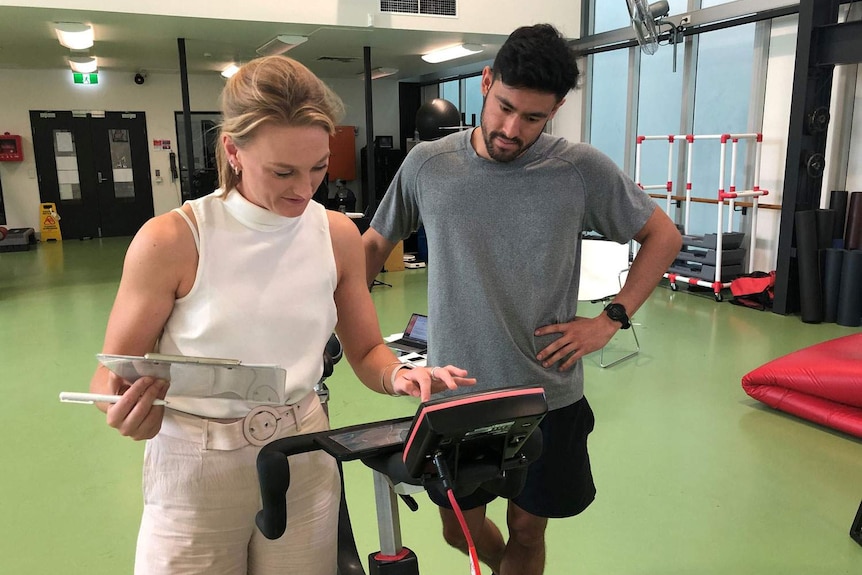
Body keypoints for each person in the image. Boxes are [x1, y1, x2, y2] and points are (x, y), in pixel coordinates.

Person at [89, 55, 475, 575]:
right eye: (283, 171)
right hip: (196, 461)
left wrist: (402, 375)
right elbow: (112, 375)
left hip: (302, 451)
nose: (304, 188)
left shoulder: (336, 234)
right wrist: (129, 413)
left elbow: (364, 350)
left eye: (318, 168)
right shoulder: (174, 240)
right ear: (233, 150)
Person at [363, 24, 682, 575]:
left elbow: (664, 236)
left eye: (532, 117)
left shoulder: (578, 170)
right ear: (487, 83)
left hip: (547, 395)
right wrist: (339, 321)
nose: (512, 129)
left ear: (554, 111)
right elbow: (371, 246)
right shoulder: (429, 165)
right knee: (456, 527)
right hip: (455, 393)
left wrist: (610, 319)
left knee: (529, 532)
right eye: (504, 107)